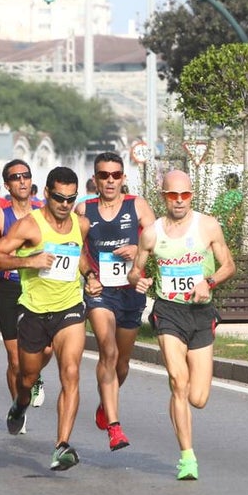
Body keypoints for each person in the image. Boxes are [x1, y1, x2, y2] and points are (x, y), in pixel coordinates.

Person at [0, 166, 95, 472]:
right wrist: (28, 260)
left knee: (70, 372)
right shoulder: (28, 226)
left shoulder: (80, 224)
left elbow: (78, 254)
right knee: (27, 377)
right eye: (59, 197)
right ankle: (19, 404)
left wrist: (89, 274)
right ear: (46, 193)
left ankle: (61, 446)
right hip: (33, 310)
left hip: (70, 308)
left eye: (71, 199)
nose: (65, 204)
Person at [129, 169, 236, 481]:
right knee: (179, 382)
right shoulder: (152, 233)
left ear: (192, 196)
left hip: (201, 313)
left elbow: (229, 265)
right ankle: (187, 458)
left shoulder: (207, 226)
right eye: (173, 195)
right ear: (164, 197)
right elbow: (134, 271)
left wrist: (210, 281)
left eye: (185, 195)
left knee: (198, 398)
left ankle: (181, 402)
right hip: (168, 311)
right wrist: (140, 280)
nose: (179, 201)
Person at [77, 152, 157, 452]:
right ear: (95, 179)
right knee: (107, 351)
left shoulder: (137, 205)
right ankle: (114, 426)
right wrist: (89, 275)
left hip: (131, 290)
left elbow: (157, 240)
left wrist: (136, 250)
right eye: (104, 175)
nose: (110, 181)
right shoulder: (84, 208)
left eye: (115, 175)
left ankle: (104, 403)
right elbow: (75, 247)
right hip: (100, 292)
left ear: (123, 177)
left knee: (122, 364)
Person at [0, 159, 49, 411]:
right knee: (15, 360)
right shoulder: (0, 216)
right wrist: (19, 261)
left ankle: (36, 375)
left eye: (25, 176)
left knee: (48, 348)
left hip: (42, 287)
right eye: (15, 177)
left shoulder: (45, 212)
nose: (21, 180)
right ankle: (18, 407)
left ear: (31, 181)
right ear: (7, 185)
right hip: (10, 288)